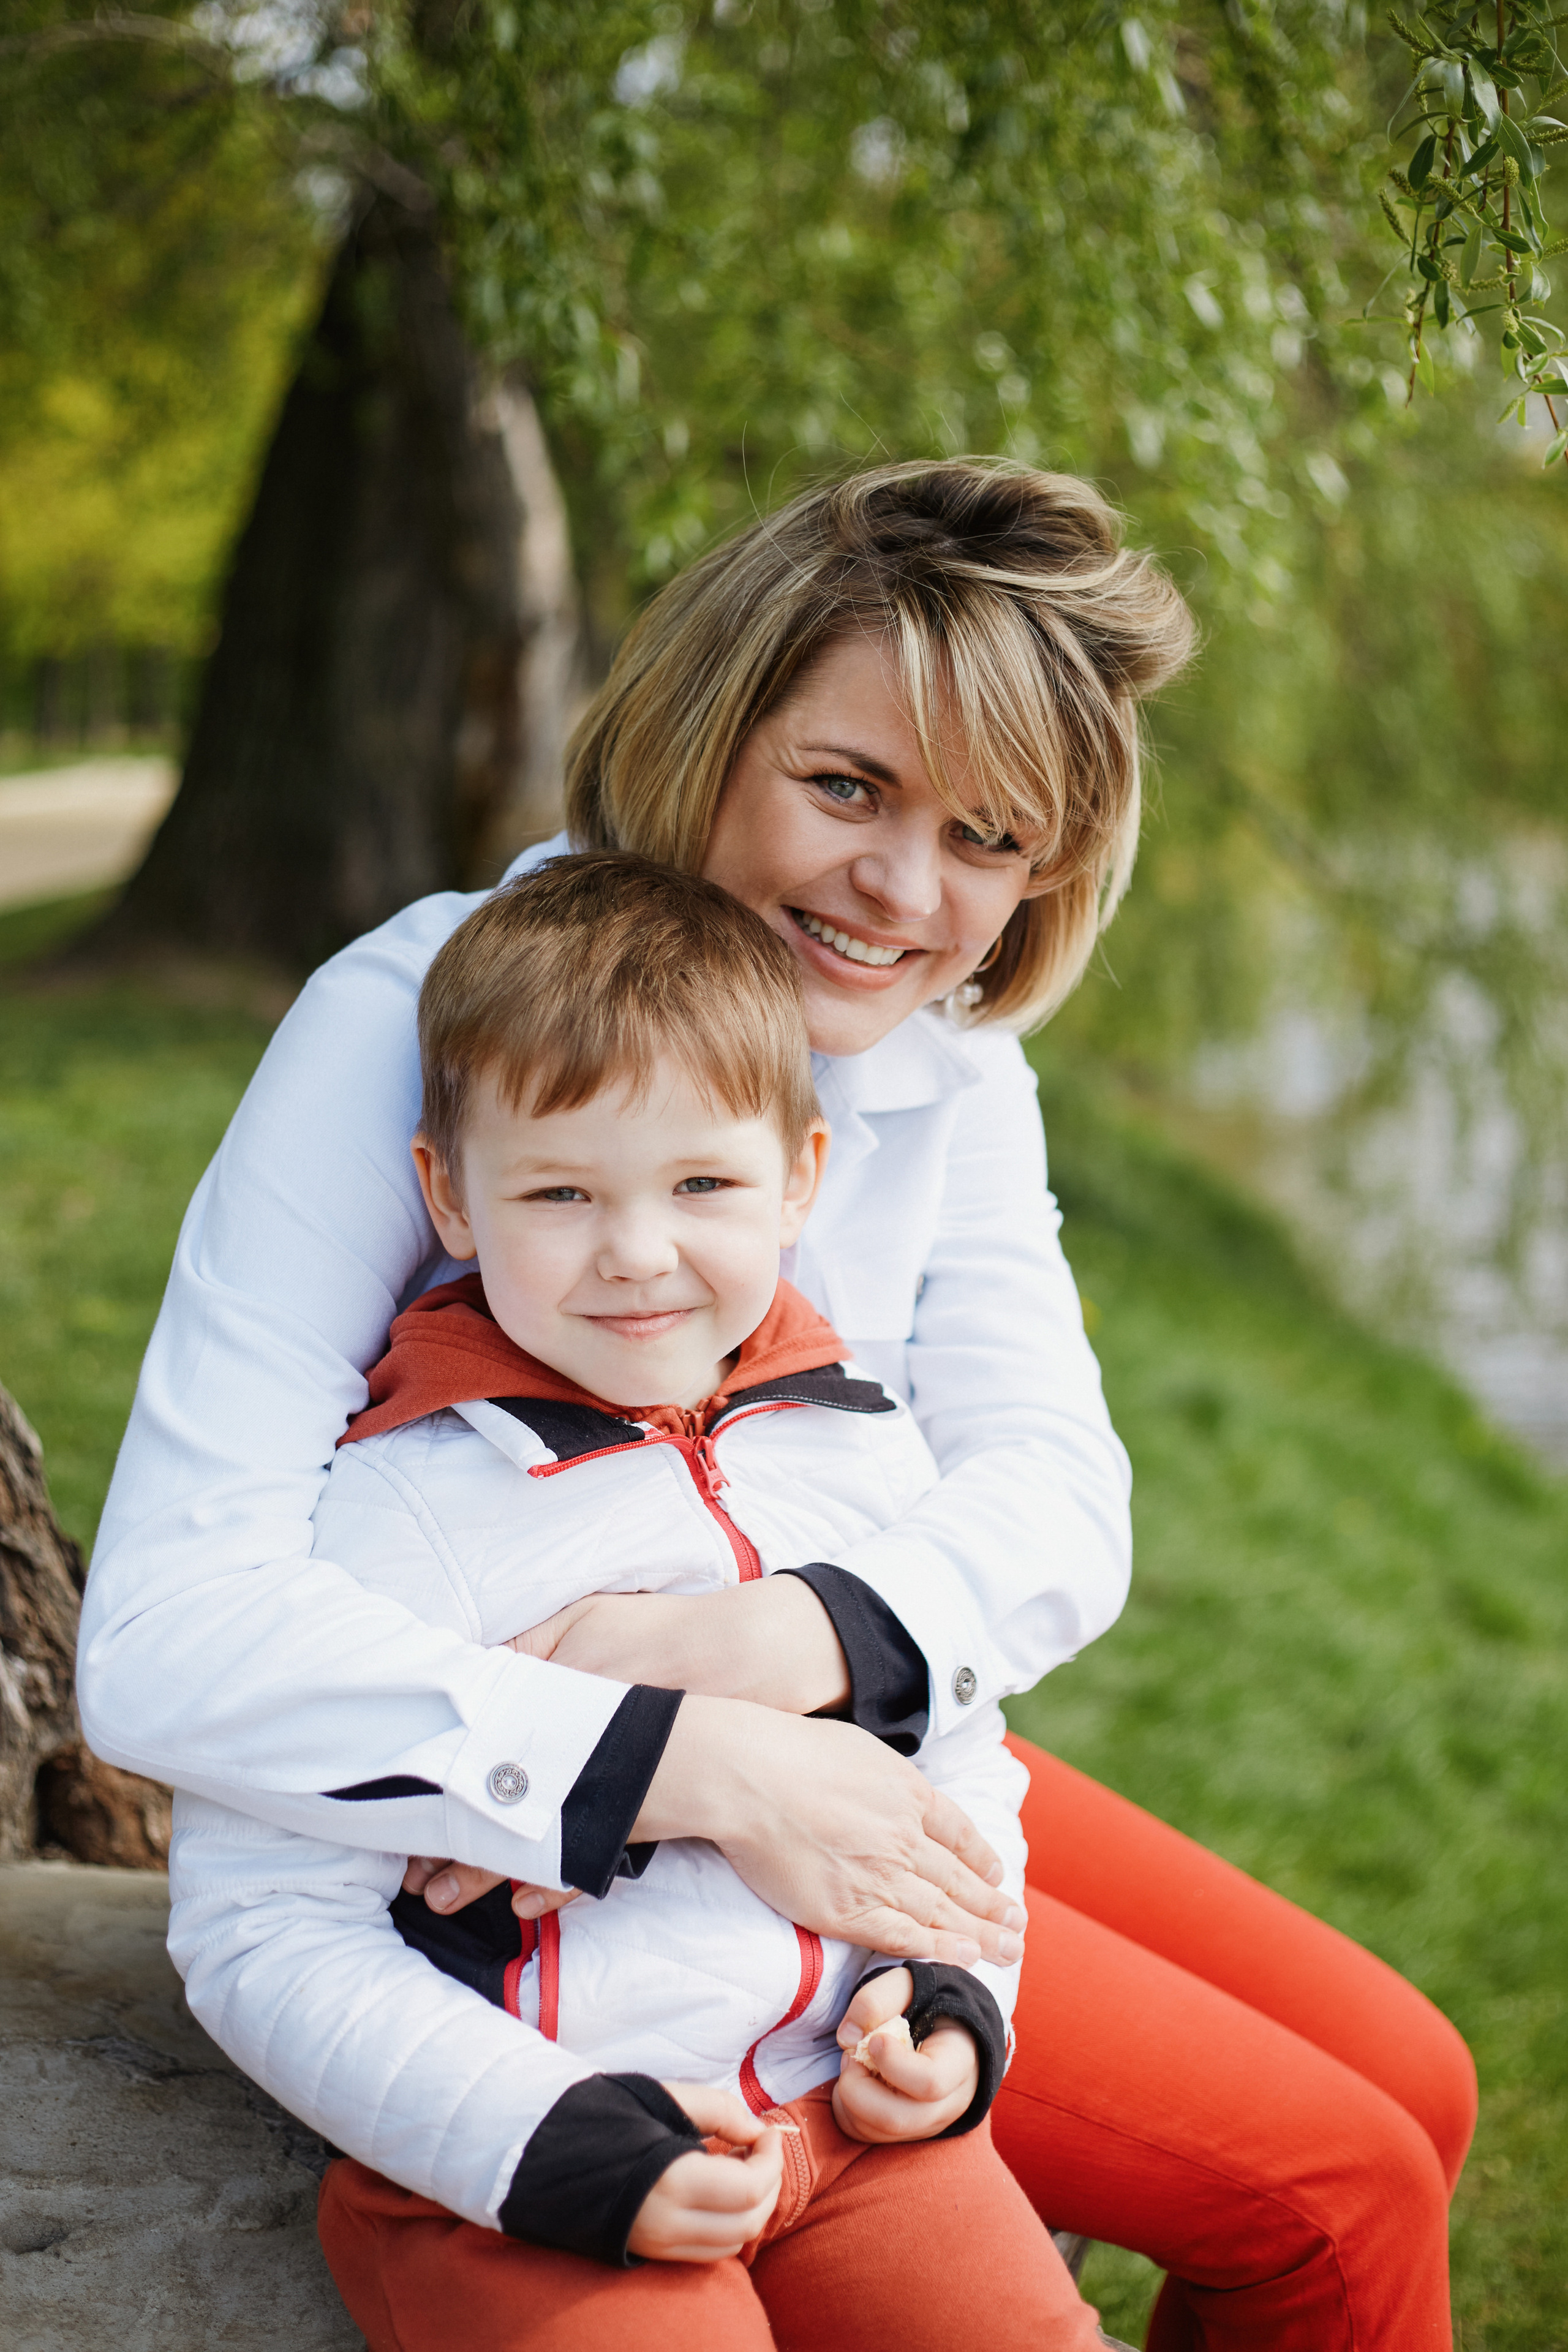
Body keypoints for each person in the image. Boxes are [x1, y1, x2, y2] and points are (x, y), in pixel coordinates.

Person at [80, 459, 1476, 2348]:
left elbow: (1059, 1499)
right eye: (845, 788)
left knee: (1410, 2096)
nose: (901, 894)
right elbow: (167, 1639)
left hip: (853, 1758)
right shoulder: (412, 1020)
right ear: (709, 735)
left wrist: (758, 1651)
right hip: (535, 1882)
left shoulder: (954, 1076)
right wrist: (682, 1757)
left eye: (989, 837)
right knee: (1343, 2178)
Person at [167, 853, 1109, 2350]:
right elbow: (263, 1924)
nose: (638, 1253)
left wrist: (944, 1996)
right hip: (532, 2174)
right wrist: (544, 2139)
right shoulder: (399, 1507)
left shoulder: (856, 1444)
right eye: (558, 1191)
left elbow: (952, 1775)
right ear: (448, 1196)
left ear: (799, 1177)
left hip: (851, 2130)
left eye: (703, 1185)